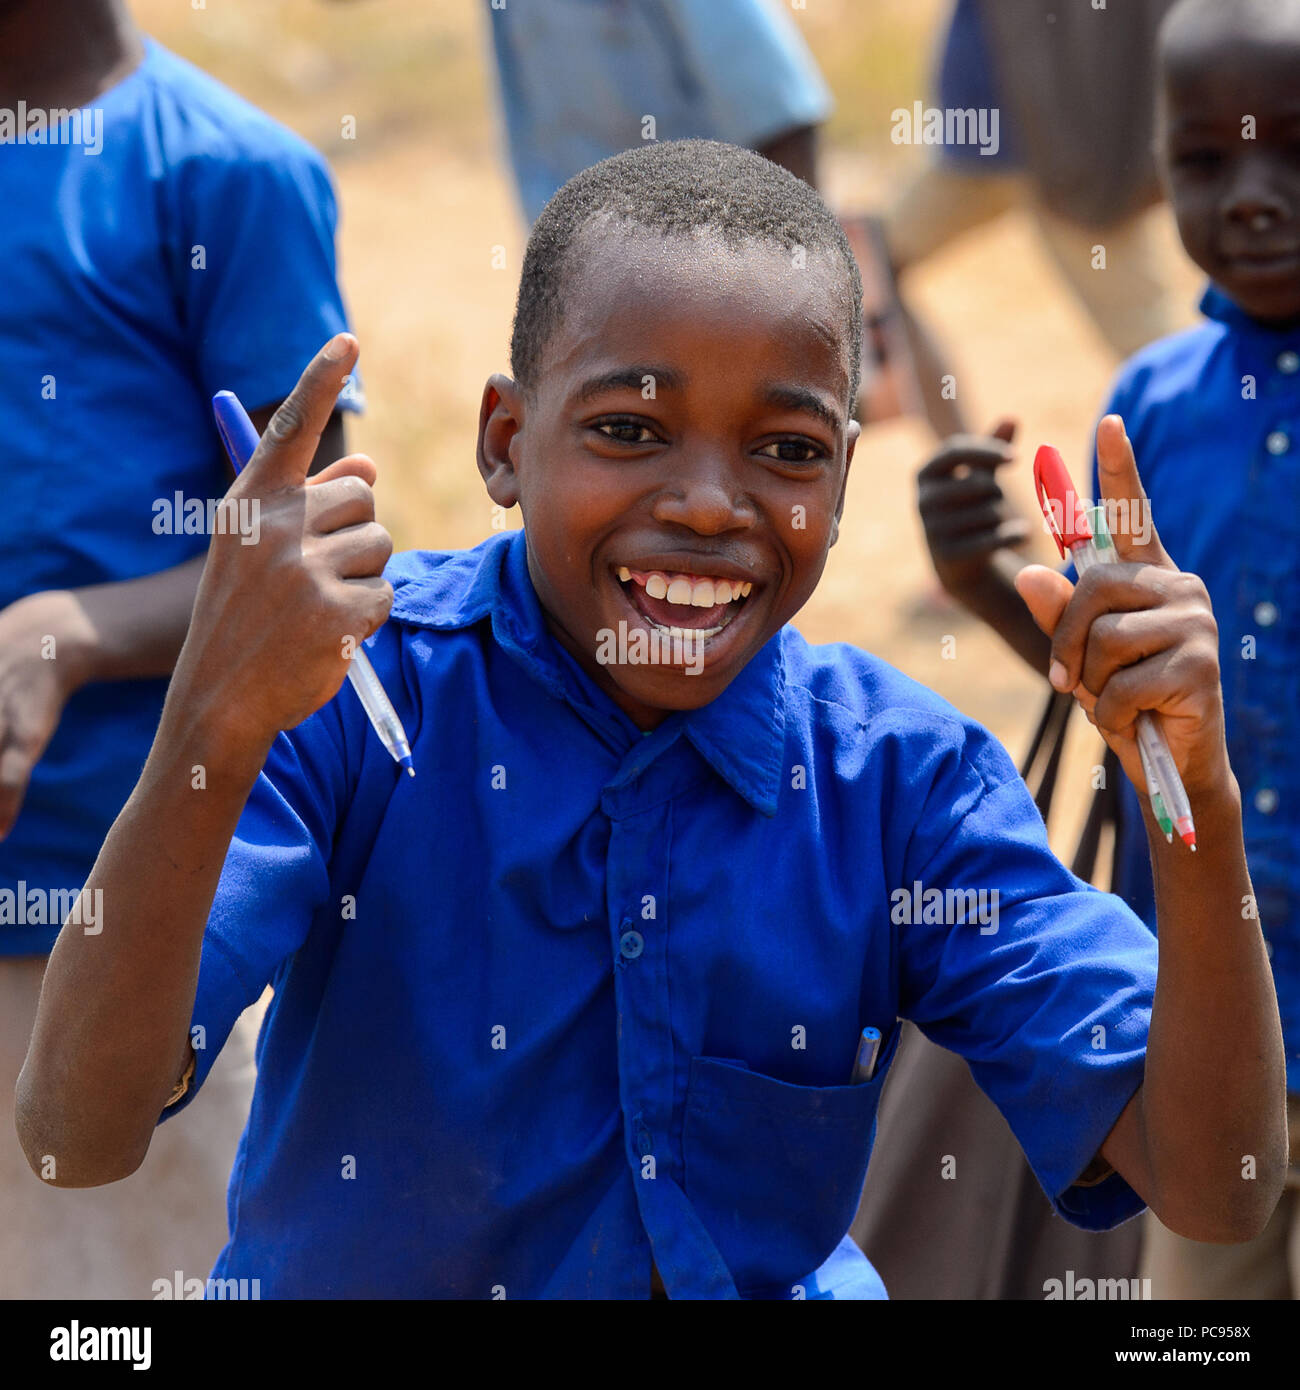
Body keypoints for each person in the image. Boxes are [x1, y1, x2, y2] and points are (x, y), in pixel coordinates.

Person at [16, 140, 1285, 1299]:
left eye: (786, 451)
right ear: (506, 442)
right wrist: (205, 728)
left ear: (843, 483)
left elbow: (1216, 1188)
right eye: (628, 429)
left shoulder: (899, 781)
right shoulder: (353, 697)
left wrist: (1197, 804)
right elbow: (75, 1132)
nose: (706, 503)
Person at [913, 0, 1300, 1298]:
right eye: (1203, 160)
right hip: (1204, 1030)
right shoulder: (1149, 407)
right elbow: (1133, 706)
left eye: (1293, 154)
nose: (1252, 196)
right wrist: (987, 588)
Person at [0, 0, 359, 1296]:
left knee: (128, 1282)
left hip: (132, 908)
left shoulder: (218, 170)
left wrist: (67, 636)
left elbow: (314, 542)